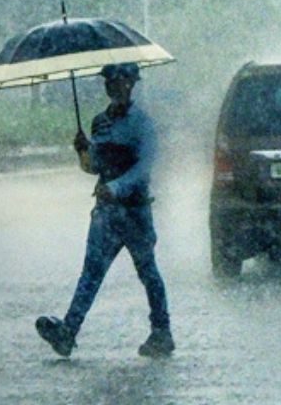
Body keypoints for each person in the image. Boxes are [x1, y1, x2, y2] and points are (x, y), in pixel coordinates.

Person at [35, 62, 174, 358]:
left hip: (135, 212)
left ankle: (162, 332)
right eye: (110, 81)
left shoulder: (142, 123)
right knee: (91, 273)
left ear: (132, 84)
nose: (115, 86)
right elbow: (95, 166)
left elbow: (145, 165)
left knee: (148, 272)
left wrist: (117, 187)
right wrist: (83, 151)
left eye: (121, 81)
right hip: (106, 214)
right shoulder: (100, 122)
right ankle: (68, 332)